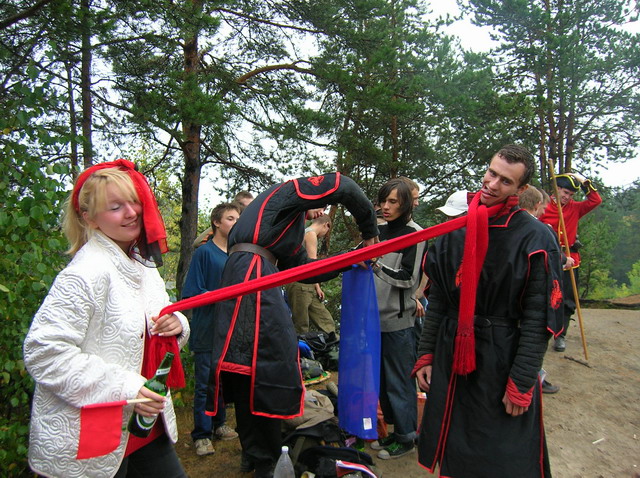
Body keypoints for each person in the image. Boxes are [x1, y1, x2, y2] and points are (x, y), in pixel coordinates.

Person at [23, 160, 190, 478]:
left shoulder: (143, 266)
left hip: (145, 426)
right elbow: (44, 353)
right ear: (89, 218)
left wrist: (177, 324)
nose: (131, 213)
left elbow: (156, 319)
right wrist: (129, 387)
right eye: (115, 207)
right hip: (93, 430)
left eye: (134, 202)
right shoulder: (84, 274)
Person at [205, 173, 379, 478]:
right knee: (264, 368)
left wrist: (350, 259)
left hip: (253, 279)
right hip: (252, 282)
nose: (321, 210)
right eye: (319, 203)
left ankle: (258, 456)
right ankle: (264, 459)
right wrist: (369, 232)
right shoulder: (284, 194)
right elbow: (343, 185)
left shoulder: (286, 230)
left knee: (254, 371)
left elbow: (304, 271)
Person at [413, 144, 564, 477]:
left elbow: (538, 317)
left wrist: (522, 381)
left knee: (497, 455)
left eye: (505, 181)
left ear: (521, 189)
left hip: (500, 359)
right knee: (453, 446)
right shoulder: (456, 229)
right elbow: (440, 300)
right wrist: (426, 354)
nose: (493, 184)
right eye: (491, 173)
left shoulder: (535, 237)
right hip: (451, 351)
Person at [369, 178, 426, 459]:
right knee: (382, 381)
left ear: (406, 204)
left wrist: (376, 265)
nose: (386, 207)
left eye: (393, 202)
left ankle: (406, 437)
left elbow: (408, 279)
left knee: (400, 381)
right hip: (373, 320)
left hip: (398, 321)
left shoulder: (415, 234)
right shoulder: (377, 230)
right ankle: (395, 431)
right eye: (383, 201)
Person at [182, 202, 241, 456]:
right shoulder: (204, 253)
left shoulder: (236, 255)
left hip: (229, 328)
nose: (236, 223)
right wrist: (219, 295)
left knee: (222, 379)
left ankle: (219, 424)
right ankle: (202, 434)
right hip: (207, 327)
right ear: (216, 223)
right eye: (230, 218)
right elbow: (191, 292)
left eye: (238, 219)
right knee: (205, 382)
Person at [539, 173, 602, 352]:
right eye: (565, 192)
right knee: (544, 298)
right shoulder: (543, 206)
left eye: (571, 194)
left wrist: (583, 182)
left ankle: (561, 335)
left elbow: (596, 200)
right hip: (548, 260)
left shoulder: (575, 208)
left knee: (567, 300)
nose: (567, 197)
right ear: (556, 189)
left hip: (571, 259)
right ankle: (541, 333)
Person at [518, 185, 563, 395]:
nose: (544, 212)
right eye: (543, 207)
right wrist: (563, 260)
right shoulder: (540, 231)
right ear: (537, 205)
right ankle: (534, 380)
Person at [284, 214, 337, 336]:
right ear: (326, 225)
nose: (325, 235)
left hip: (306, 285)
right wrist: (317, 286)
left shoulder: (303, 232)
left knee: (326, 321)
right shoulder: (311, 234)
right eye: (327, 231)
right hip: (301, 283)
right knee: (301, 325)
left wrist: (316, 287)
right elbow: (312, 266)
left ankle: (332, 343)